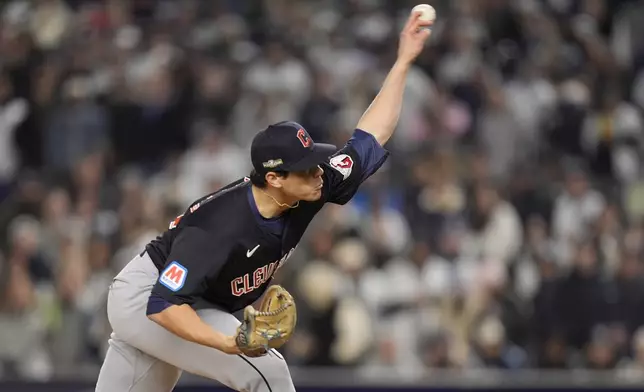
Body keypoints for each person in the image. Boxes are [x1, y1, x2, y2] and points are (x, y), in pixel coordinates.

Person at [95, 12, 432, 392]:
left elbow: (371, 135)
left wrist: (403, 61)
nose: (318, 172)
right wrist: (226, 343)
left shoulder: (314, 184)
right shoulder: (220, 225)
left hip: (194, 300)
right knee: (266, 372)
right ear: (274, 178)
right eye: (304, 169)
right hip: (149, 300)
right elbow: (164, 305)